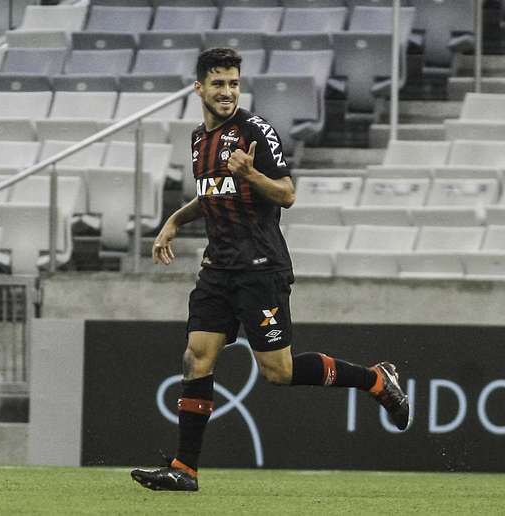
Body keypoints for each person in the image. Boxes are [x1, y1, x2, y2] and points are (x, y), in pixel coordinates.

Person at [130, 48, 410, 492]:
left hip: (260, 268)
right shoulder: (198, 140)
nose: (227, 92)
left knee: (277, 372)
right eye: (218, 83)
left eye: (234, 83)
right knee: (196, 356)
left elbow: (287, 194)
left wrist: (252, 175)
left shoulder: (255, 131)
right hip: (218, 268)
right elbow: (212, 195)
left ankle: (376, 379)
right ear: (198, 88)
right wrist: (174, 221)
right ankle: (185, 469)